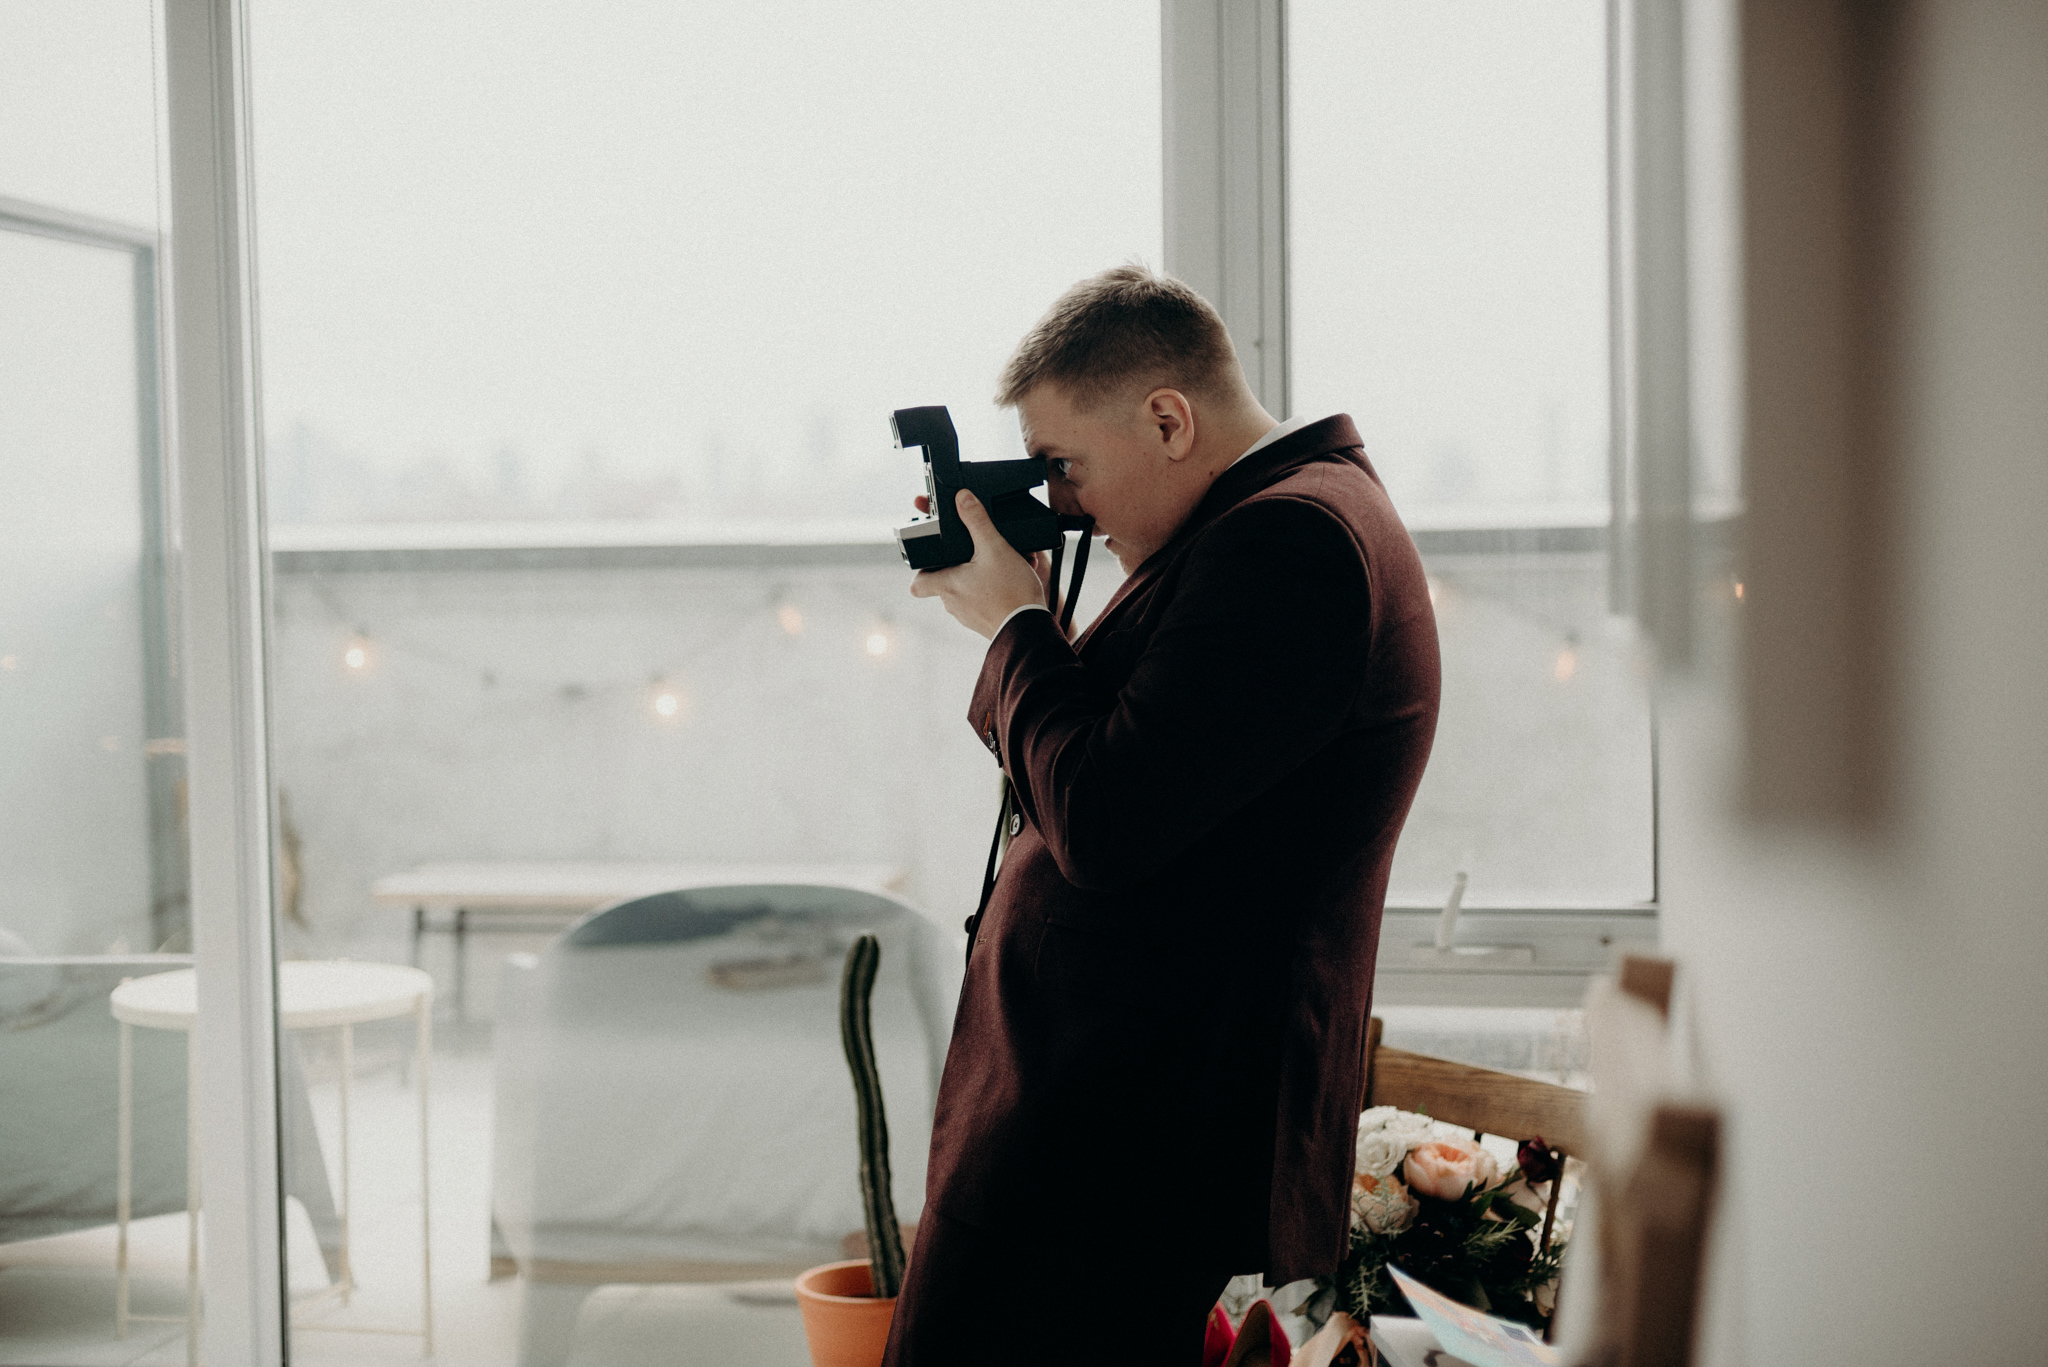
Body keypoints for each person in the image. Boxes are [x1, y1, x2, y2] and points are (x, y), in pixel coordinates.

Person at [887, 265, 1440, 1365]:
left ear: (1167, 418)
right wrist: (1025, 623)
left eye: (1064, 465)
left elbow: (1103, 816)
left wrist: (1016, 633)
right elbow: (1125, 764)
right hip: (1106, 1132)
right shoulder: (1253, 527)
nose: (1063, 502)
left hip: (1115, 1150)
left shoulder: (1290, 542)